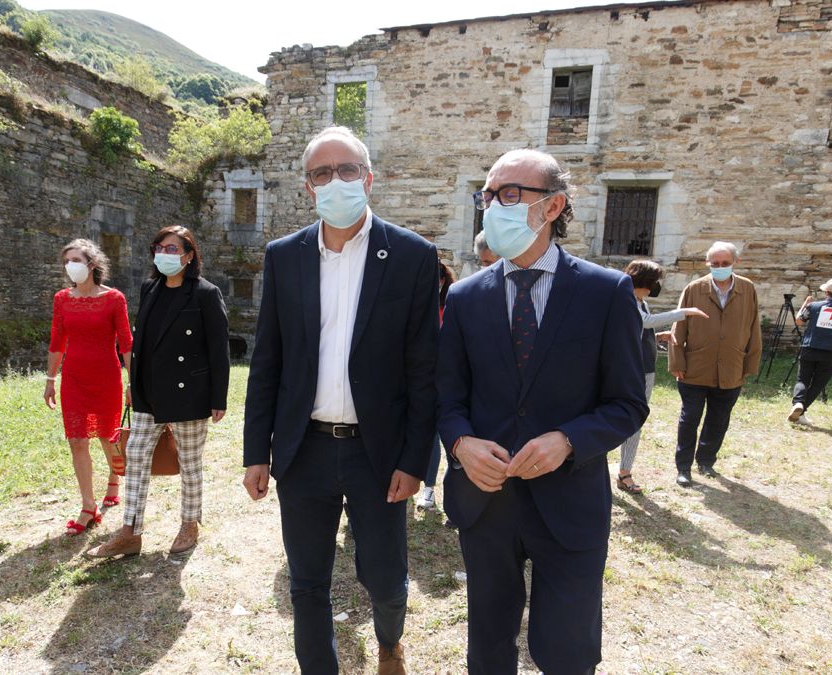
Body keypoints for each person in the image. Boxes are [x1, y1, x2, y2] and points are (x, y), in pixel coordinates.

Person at [438, 149, 648, 674]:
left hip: (570, 502)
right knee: (488, 646)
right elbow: (446, 396)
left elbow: (627, 403)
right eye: (488, 195)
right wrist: (460, 443)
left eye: (509, 194)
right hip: (486, 502)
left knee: (568, 650)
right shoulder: (465, 297)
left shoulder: (605, 292)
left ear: (552, 206)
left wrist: (569, 440)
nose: (493, 206)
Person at [243, 126, 438, 674]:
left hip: (378, 455)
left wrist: (416, 461)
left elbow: (425, 371)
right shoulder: (285, 256)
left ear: (368, 178)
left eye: (346, 169)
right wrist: (257, 452)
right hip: (303, 449)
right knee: (306, 581)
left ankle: (390, 643)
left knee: (385, 577)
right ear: (308, 187)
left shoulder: (412, 255)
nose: (335, 181)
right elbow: (268, 360)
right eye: (321, 173)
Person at [87, 226, 230, 558]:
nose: (164, 254)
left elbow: (218, 349)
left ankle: (189, 524)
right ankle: (130, 532)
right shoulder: (150, 288)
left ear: (189, 255)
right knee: (136, 456)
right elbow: (143, 343)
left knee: (189, 463)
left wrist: (218, 397)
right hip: (148, 392)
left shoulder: (206, 293)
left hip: (189, 393)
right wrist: (133, 384)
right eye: (159, 248)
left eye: (172, 249)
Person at [43, 239, 132, 536]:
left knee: (108, 437)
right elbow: (57, 341)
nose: (70, 266)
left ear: (92, 264)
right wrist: (50, 380)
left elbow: (126, 343)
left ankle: (114, 481)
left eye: (76, 260)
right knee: (77, 441)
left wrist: (133, 382)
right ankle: (88, 506)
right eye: (67, 261)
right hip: (74, 380)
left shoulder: (114, 298)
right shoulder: (62, 299)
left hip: (106, 378)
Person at [667, 241, 761, 487]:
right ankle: (683, 467)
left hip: (731, 367)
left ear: (735, 262)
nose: (720, 267)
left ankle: (706, 460)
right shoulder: (694, 288)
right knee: (690, 418)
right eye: (715, 263)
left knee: (719, 419)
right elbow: (679, 325)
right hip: (694, 368)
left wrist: (749, 364)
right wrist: (677, 361)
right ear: (708, 263)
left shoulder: (747, 288)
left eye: (725, 263)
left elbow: (754, 327)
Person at [616, 260, 706, 494]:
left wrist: (656, 337)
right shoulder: (624, 299)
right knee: (620, 418)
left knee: (636, 420)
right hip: (628, 371)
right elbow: (644, 322)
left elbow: (639, 330)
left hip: (645, 370)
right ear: (644, 281)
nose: (656, 286)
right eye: (654, 281)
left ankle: (625, 472)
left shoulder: (642, 302)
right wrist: (684, 312)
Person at [415, 260, 456, 511]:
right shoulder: (415, 306)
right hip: (415, 382)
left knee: (434, 438)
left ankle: (429, 490)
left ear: (442, 281)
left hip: (440, 383)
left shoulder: (450, 307)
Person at [788, 278, 832, 426]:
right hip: (831, 351)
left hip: (810, 347)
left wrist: (806, 303)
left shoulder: (814, 306)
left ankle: (798, 403)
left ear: (826, 292)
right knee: (818, 383)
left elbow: (798, 321)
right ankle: (801, 410)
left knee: (802, 379)